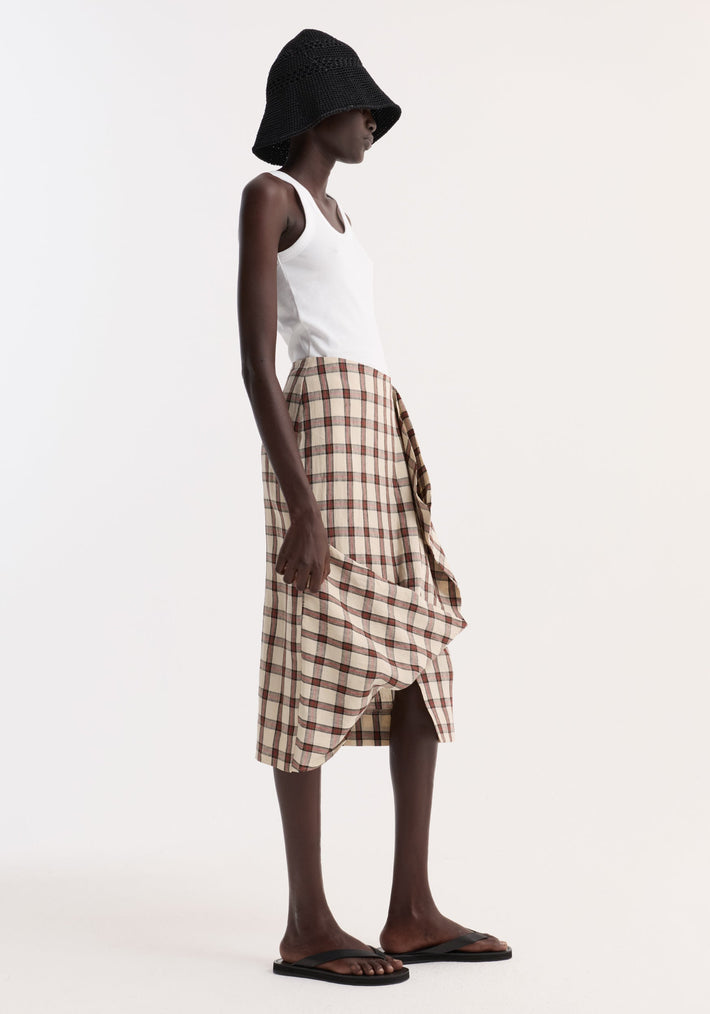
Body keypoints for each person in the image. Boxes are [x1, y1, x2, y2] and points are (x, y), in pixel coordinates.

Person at [238, 28, 512, 987]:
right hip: (316, 435)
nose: (372, 125)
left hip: (379, 431)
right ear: (319, 109)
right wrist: (301, 508)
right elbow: (255, 362)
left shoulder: (343, 216)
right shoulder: (270, 198)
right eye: (361, 109)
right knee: (313, 647)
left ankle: (410, 909)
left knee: (423, 657)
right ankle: (306, 922)